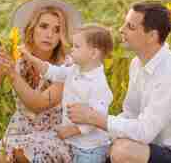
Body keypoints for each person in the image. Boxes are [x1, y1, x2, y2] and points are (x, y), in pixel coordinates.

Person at [67, 1, 171, 163]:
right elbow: (131, 114)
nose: (121, 30)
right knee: (100, 146)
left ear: (152, 36)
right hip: (148, 149)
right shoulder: (137, 63)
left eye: (131, 27)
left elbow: (144, 131)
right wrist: (92, 131)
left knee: (123, 151)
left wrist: (94, 118)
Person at [0, 0, 82, 163]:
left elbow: (38, 105)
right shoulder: (15, 56)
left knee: (20, 154)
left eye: (57, 29)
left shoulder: (68, 66)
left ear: (62, 35)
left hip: (56, 136)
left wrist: (12, 74)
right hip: (19, 132)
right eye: (43, 26)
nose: (49, 34)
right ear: (31, 28)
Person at [20, 24, 114, 163]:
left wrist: (71, 130)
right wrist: (31, 59)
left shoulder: (99, 85)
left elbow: (96, 119)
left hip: (90, 148)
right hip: (72, 142)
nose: (71, 50)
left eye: (76, 47)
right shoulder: (75, 69)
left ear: (93, 53)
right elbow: (52, 72)